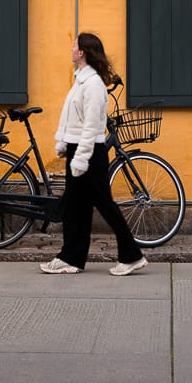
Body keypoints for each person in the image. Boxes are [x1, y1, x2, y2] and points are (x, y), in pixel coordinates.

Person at [39, 32, 147, 276]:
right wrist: (66, 143)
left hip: (90, 153)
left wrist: (80, 157)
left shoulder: (94, 84)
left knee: (104, 204)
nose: (71, 49)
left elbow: (91, 125)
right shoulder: (81, 81)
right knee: (76, 207)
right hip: (80, 149)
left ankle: (132, 255)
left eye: (74, 46)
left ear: (83, 52)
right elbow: (73, 117)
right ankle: (71, 258)